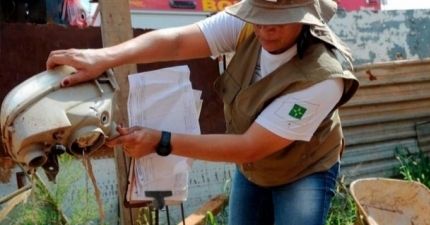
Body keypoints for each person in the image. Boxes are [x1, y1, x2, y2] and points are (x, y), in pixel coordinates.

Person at [46, 0, 359, 224]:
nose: (265, 29)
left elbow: (250, 145)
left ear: (305, 15)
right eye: (259, 15)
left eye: (278, 19)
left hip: (303, 171)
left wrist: (161, 141)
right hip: (252, 169)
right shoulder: (247, 26)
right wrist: (104, 57)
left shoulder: (324, 77)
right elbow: (179, 42)